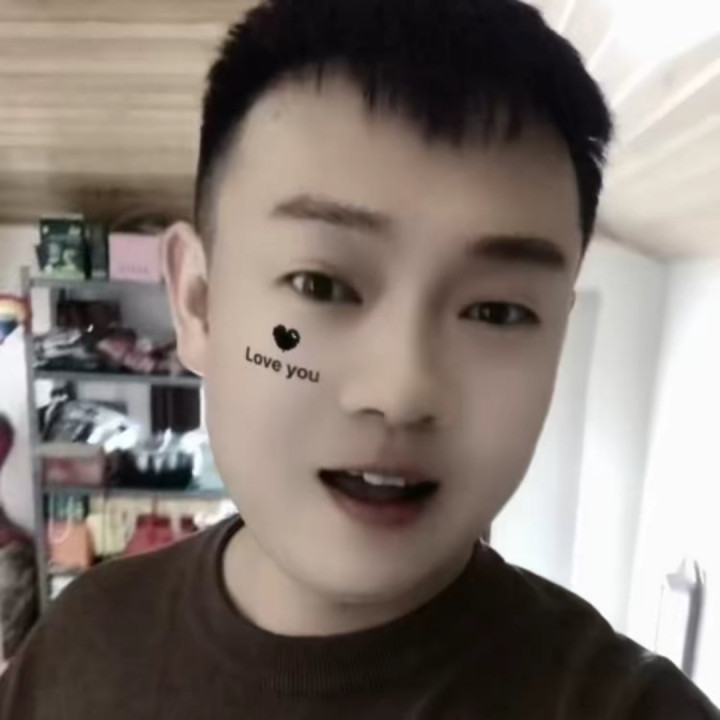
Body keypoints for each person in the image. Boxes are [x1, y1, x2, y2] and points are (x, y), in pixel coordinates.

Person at [1, 0, 718, 717]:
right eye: (321, 286)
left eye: (497, 312)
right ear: (198, 302)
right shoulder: (79, 643)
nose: (402, 391)